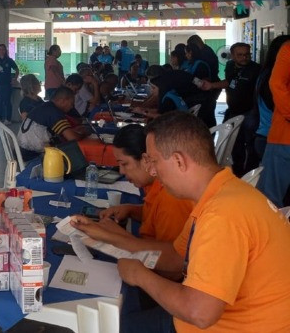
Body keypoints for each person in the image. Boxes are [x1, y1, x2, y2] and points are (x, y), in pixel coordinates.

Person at [76, 111, 290, 333]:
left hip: (226, 325)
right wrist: (115, 239)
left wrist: (140, 275)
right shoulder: (225, 192)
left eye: (154, 161)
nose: (151, 171)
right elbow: (178, 258)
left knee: (106, 325)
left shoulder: (222, 214)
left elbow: (200, 313)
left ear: (178, 160)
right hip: (229, 317)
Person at [88, 124, 193, 245]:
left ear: (146, 160)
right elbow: (154, 215)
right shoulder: (153, 185)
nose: (121, 171)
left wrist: (118, 236)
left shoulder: (171, 199)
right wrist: (130, 209)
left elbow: (166, 258)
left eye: (124, 164)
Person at [199, 43, 261, 176]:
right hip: (233, 111)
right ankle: (237, 174)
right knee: (234, 145)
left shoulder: (256, 70)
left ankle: (250, 176)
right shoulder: (230, 66)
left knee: (251, 147)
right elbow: (229, 81)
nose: (244, 57)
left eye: (247, 54)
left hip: (251, 113)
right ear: (232, 55)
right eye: (240, 55)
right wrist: (212, 86)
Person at [257, 39, 290, 207]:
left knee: (269, 200)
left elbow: (276, 84)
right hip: (282, 138)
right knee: (270, 199)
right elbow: (276, 84)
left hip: (282, 139)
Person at [17, 86, 88, 160]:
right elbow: (72, 138)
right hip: (34, 156)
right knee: (77, 156)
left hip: (24, 150)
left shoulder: (46, 106)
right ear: (62, 101)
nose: (71, 107)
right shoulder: (55, 112)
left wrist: (73, 131)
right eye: (71, 104)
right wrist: (84, 133)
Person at [254, 35, 290, 160]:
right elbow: (275, 102)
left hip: (268, 136)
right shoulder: (271, 77)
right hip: (271, 138)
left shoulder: (264, 74)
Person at [0, 44, 19, 125]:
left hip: (7, 84)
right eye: (0, 49)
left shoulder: (9, 60)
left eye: (3, 49)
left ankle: (8, 119)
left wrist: (15, 79)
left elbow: (17, 69)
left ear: (6, 51)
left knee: (7, 102)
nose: (1, 51)